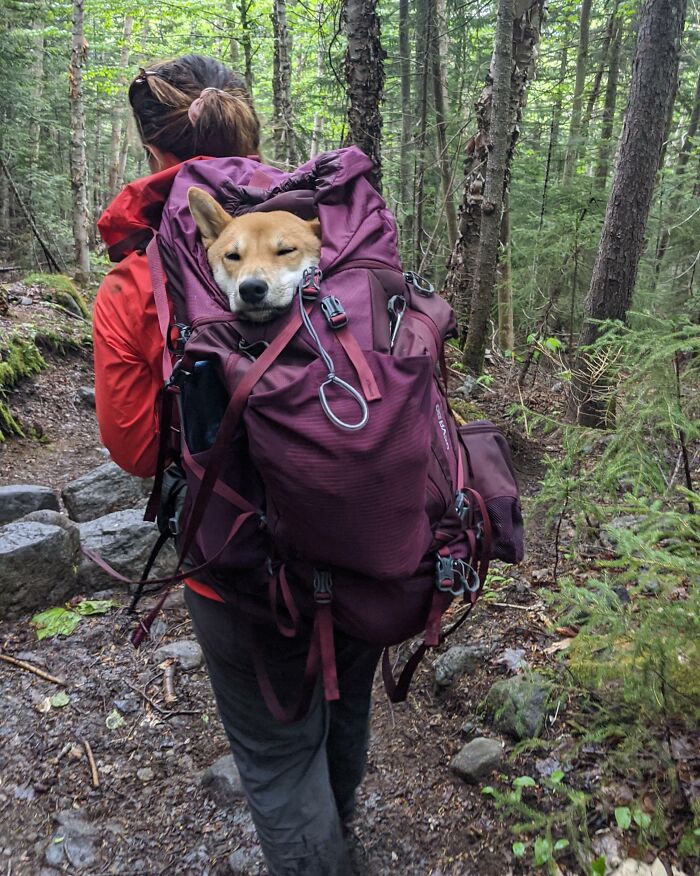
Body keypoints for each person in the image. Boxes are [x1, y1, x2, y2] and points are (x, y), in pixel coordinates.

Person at [93, 55, 381, 875]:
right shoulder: (332, 232)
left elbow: (137, 450)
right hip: (367, 533)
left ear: (153, 151)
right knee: (341, 707)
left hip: (237, 563)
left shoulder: (135, 281)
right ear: (249, 126)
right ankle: (344, 839)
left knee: (276, 753)